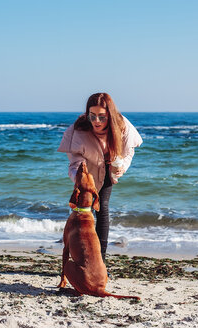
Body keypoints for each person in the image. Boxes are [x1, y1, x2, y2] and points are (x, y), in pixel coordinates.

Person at [58, 92, 142, 262]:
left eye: (102, 117)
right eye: (93, 116)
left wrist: (122, 168)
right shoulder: (78, 129)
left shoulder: (122, 125)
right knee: (81, 215)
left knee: (102, 209)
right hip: (86, 175)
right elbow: (74, 163)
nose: (96, 121)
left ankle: (100, 262)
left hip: (108, 171)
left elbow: (128, 151)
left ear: (109, 115)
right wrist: (81, 180)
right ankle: (79, 258)